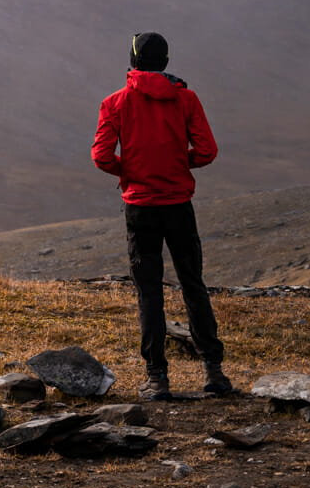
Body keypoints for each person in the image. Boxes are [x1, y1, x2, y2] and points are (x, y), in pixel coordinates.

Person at [90, 32, 234, 400]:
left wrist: (133, 170)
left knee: (149, 292)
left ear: (133, 60)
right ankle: (214, 373)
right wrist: (174, 164)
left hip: (141, 208)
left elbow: (102, 157)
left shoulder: (115, 103)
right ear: (166, 61)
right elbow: (207, 150)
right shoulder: (186, 99)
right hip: (178, 205)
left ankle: (157, 379)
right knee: (193, 286)